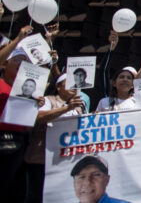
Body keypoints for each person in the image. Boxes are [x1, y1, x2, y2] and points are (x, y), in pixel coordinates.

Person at [25, 74, 85, 203]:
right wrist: (67, 108)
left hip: (64, 161)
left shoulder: (79, 105)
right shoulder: (47, 100)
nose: (73, 85)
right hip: (41, 160)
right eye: (68, 82)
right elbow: (40, 117)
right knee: (37, 196)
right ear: (58, 86)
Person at [0, 25, 33, 202]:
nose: (22, 66)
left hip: (20, 141)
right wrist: (18, 40)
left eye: (24, 62)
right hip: (2, 139)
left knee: (16, 190)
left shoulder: (24, 88)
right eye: (17, 61)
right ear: (6, 64)